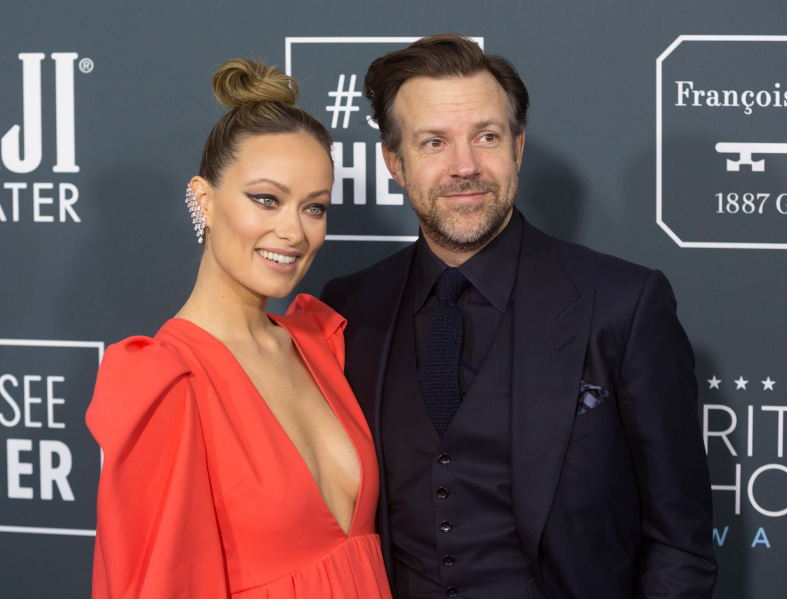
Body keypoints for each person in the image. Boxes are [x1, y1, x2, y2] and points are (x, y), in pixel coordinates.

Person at [321, 34, 717, 599]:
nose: (465, 167)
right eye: (434, 142)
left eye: (486, 137)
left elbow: (681, 544)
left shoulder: (624, 303)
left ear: (518, 148)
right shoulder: (348, 308)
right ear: (394, 163)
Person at [86, 59, 392, 599]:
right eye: (266, 199)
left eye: (314, 208)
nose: (293, 231)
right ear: (204, 199)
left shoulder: (320, 342)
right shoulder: (168, 382)